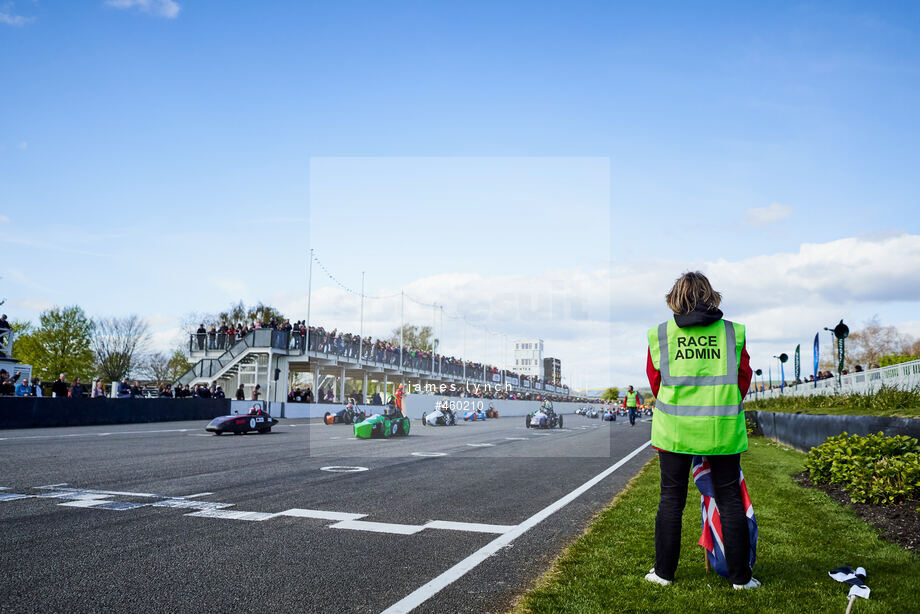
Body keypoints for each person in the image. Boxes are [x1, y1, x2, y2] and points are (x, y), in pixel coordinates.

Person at [644, 271, 759, 590]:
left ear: (675, 298)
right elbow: (743, 377)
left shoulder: (660, 334)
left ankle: (664, 574)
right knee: (729, 499)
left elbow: (656, 382)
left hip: (674, 430)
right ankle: (740, 579)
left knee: (671, 500)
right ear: (710, 296)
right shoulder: (733, 332)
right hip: (721, 428)